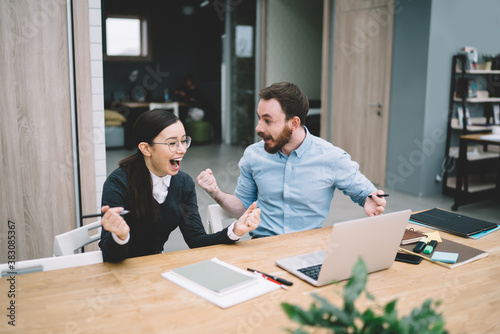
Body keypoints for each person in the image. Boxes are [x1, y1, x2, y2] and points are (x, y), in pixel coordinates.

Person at [196, 82, 386, 238]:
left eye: (268, 121)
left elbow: (366, 194)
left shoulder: (332, 157)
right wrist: (216, 192)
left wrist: (369, 199)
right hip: (261, 249)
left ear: (294, 123)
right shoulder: (253, 156)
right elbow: (242, 208)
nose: (258, 128)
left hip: (308, 251)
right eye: (259, 118)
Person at [99, 109, 261, 262]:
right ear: (146, 148)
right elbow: (109, 255)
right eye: (172, 143)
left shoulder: (183, 183)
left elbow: (196, 240)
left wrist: (235, 230)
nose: (182, 149)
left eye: (184, 141)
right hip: (121, 268)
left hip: (155, 266)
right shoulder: (119, 182)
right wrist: (120, 236)